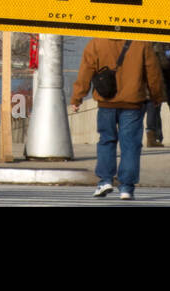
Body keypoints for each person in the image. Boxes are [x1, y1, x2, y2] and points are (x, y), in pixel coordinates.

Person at [70, 37, 164, 200]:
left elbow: (86, 70)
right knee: (131, 144)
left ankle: (105, 180)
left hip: (106, 101)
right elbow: (152, 72)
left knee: (106, 139)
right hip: (133, 102)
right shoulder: (141, 42)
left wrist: (77, 98)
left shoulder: (96, 42)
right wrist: (157, 96)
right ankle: (126, 187)